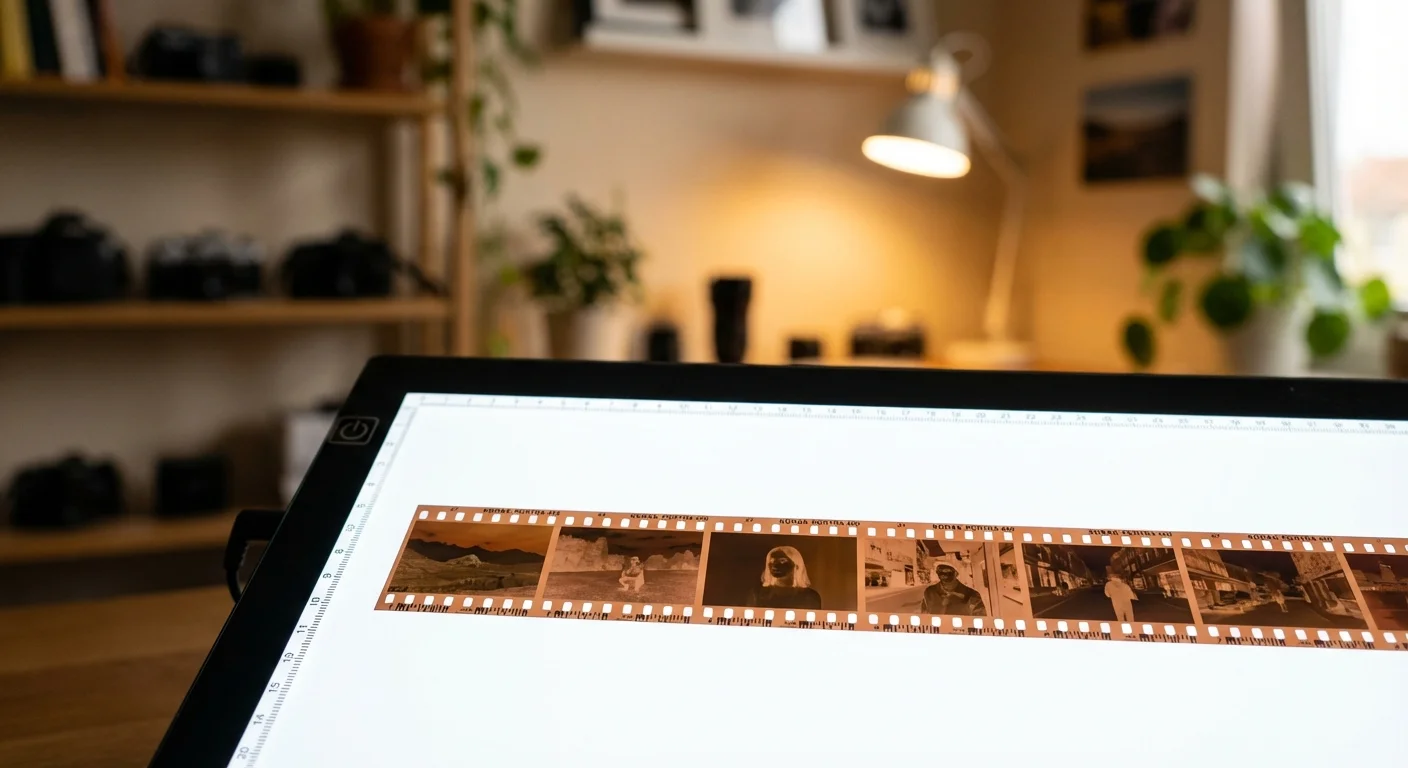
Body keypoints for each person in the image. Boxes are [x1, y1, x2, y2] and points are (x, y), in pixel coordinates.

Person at [745, 546, 823, 609]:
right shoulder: (757, 594)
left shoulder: (810, 597)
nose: (774, 566)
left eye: (782, 561)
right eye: (771, 562)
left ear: (796, 565)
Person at [921, 563, 987, 616]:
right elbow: (924, 616)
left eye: (948, 571)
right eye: (940, 571)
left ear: (956, 573)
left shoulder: (972, 595)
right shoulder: (929, 592)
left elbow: (981, 621)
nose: (944, 575)